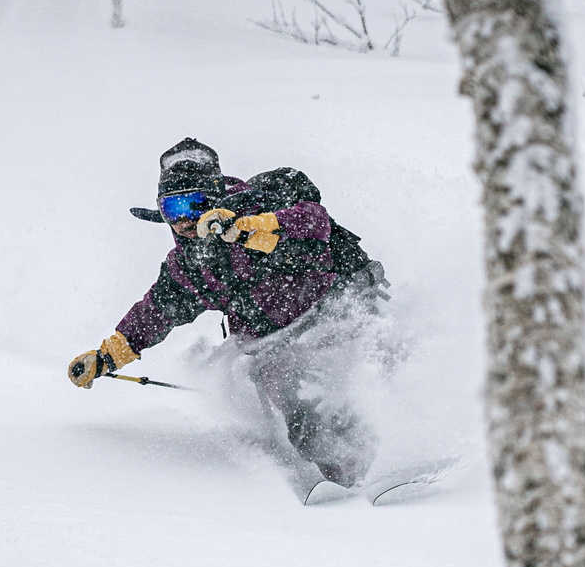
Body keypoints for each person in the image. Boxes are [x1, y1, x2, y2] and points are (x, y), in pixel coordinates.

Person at [68, 138, 388, 488]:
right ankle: (352, 487)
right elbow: (153, 313)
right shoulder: (189, 268)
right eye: (171, 210)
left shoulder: (258, 207)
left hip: (333, 313)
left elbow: (315, 223)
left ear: (213, 196)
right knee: (306, 422)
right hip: (274, 348)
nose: (184, 221)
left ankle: (398, 455)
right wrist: (105, 357)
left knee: (365, 387)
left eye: (194, 204)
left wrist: (251, 229)